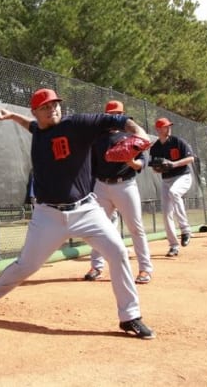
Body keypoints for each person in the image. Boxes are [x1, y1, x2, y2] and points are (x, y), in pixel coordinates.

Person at [0, 88, 155, 340]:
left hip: (86, 210)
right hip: (48, 215)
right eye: (45, 106)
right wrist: (12, 117)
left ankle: (130, 316)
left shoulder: (77, 124)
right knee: (26, 265)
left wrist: (138, 132)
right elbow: (31, 126)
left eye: (54, 104)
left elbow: (118, 120)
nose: (52, 108)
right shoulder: (38, 132)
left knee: (117, 251)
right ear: (35, 112)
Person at [84, 100, 153, 285]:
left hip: (125, 185)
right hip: (101, 186)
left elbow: (142, 163)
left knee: (135, 228)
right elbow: (91, 166)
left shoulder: (132, 135)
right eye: (110, 114)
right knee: (98, 228)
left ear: (123, 114)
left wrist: (129, 160)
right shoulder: (97, 138)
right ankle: (96, 266)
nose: (114, 117)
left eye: (117, 113)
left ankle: (145, 269)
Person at [149, 117, 196, 257]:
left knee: (174, 192)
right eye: (165, 126)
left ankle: (185, 229)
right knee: (166, 213)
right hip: (166, 180)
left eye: (169, 126)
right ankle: (173, 246)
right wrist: (159, 168)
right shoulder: (155, 147)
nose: (168, 128)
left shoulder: (177, 141)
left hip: (183, 176)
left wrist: (173, 164)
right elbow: (153, 167)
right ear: (158, 129)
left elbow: (191, 158)